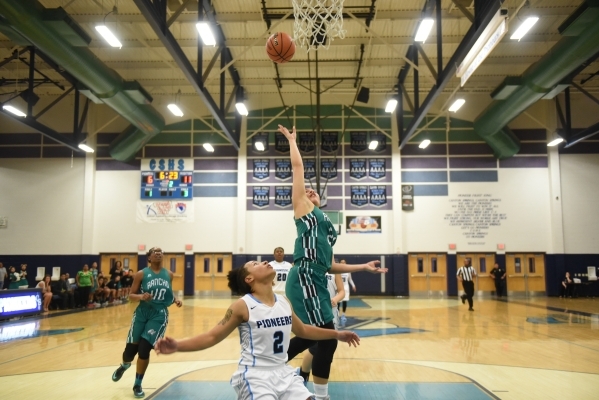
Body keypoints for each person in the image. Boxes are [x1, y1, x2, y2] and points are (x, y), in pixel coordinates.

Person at [278, 124, 387, 400]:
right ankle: (317, 393)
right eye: (308, 191)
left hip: (316, 277)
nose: (311, 192)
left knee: (320, 337)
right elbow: (298, 169)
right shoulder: (303, 210)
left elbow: (329, 266)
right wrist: (293, 141)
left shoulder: (326, 226)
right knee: (326, 335)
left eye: (314, 192)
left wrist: (362, 268)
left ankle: (273, 363)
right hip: (303, 276)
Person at [154, 260, 359, 400]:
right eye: (255, 264)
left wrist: (337, 334)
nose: (263, 262)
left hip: (284, 374)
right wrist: (177, 345)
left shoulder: (283, 302)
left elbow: (303, 330)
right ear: (249, 279)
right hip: (255, 376)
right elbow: (212, 336)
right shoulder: (242, 306)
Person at [111, 247, 182, 399]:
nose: (158, 253)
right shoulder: (141, 274)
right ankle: (124, 366)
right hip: (142, 313)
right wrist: (141, 296)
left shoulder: (169, 274)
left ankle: (137, 384)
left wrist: (175, 299)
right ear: (149, 257)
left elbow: (167, 292)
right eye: (154, 252)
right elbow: (130, 296)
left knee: (144, 349)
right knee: (130, 352)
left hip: (158, 315)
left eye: (161, 251)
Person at [298, 272, 345, 385]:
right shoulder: (310, 268)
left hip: (331, 312)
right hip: (314, 311)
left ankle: (303, 374)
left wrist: (335, 299)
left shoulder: (335, 271)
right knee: (317, 346)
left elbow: (342, 291)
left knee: (323, 347)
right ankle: (305, 377)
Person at [337, 260, 357, 325]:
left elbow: (350, 279)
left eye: (344, 262)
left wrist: (353, 285)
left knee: (344, 301)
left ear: (346, 263)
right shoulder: (337, 270)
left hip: (345, 288)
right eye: (341, 262)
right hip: (339, 288)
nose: (343, 263)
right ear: (339, 263)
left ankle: (343, 315)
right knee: (338, 302)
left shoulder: (348, 271)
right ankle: (337, 314)